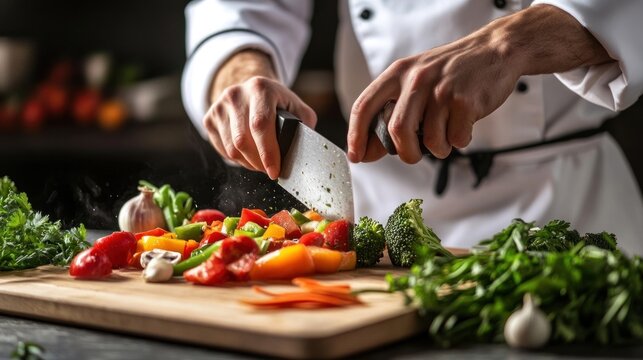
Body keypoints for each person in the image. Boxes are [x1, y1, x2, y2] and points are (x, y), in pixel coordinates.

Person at [181, 1, 643, 255]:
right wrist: (239, 73)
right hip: (378, 210)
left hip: (574, 207)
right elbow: (242, 8)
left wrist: (510, 42)